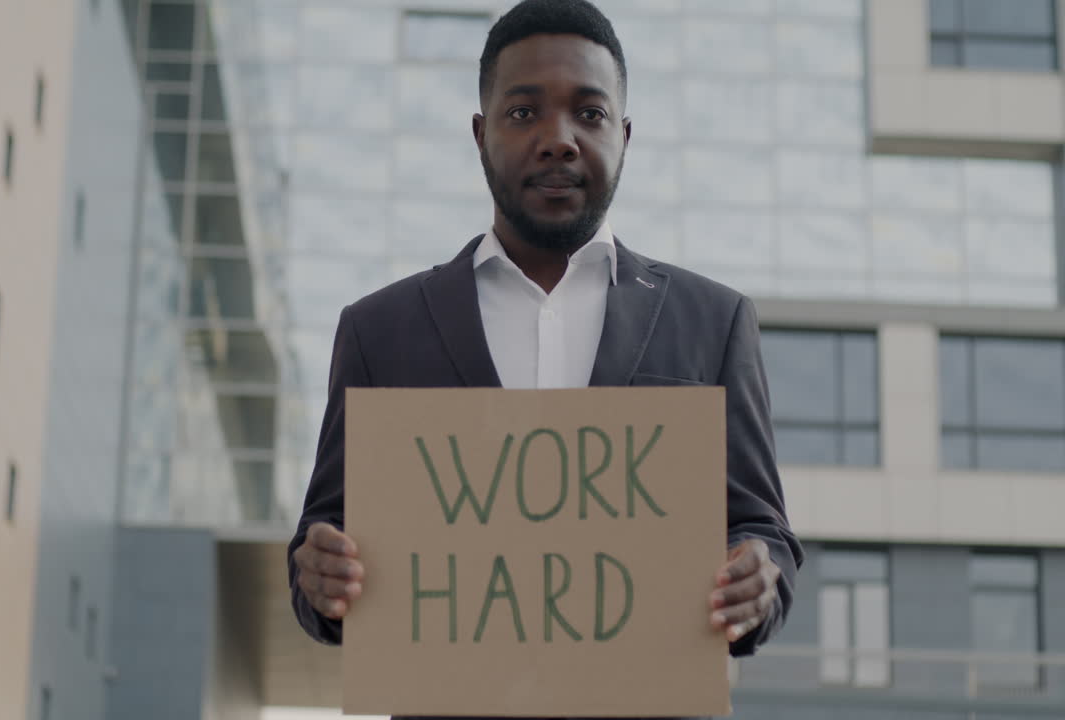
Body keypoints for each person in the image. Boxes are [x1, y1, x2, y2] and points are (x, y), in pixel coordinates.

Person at [287, 0, 803, 692]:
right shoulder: (380, 331)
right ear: (480, 134)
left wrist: (760, 578)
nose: (558, 139)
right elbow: (324, 541)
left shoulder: (714, 323)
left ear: (624, 135)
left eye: (588, 115)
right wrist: (318, 579)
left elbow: (762, 530)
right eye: (524, 112)